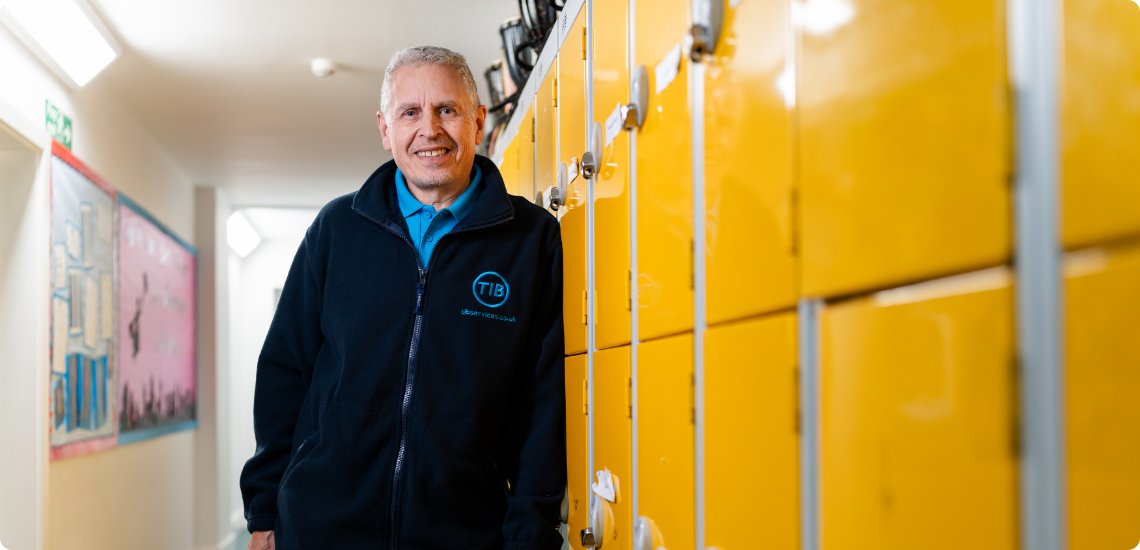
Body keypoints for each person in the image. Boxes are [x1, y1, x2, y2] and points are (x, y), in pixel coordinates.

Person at [240, 46, 566, 550]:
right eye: (409, 112)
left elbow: (542, 399)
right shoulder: (337, 229)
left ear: (478, 121)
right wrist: (264, 509)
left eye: (447, 110)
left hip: (463, 535)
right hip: (321, 528)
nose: (429, 130)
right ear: (385, 128)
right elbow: (286, 370)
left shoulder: (529, 239)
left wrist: (529, 532)